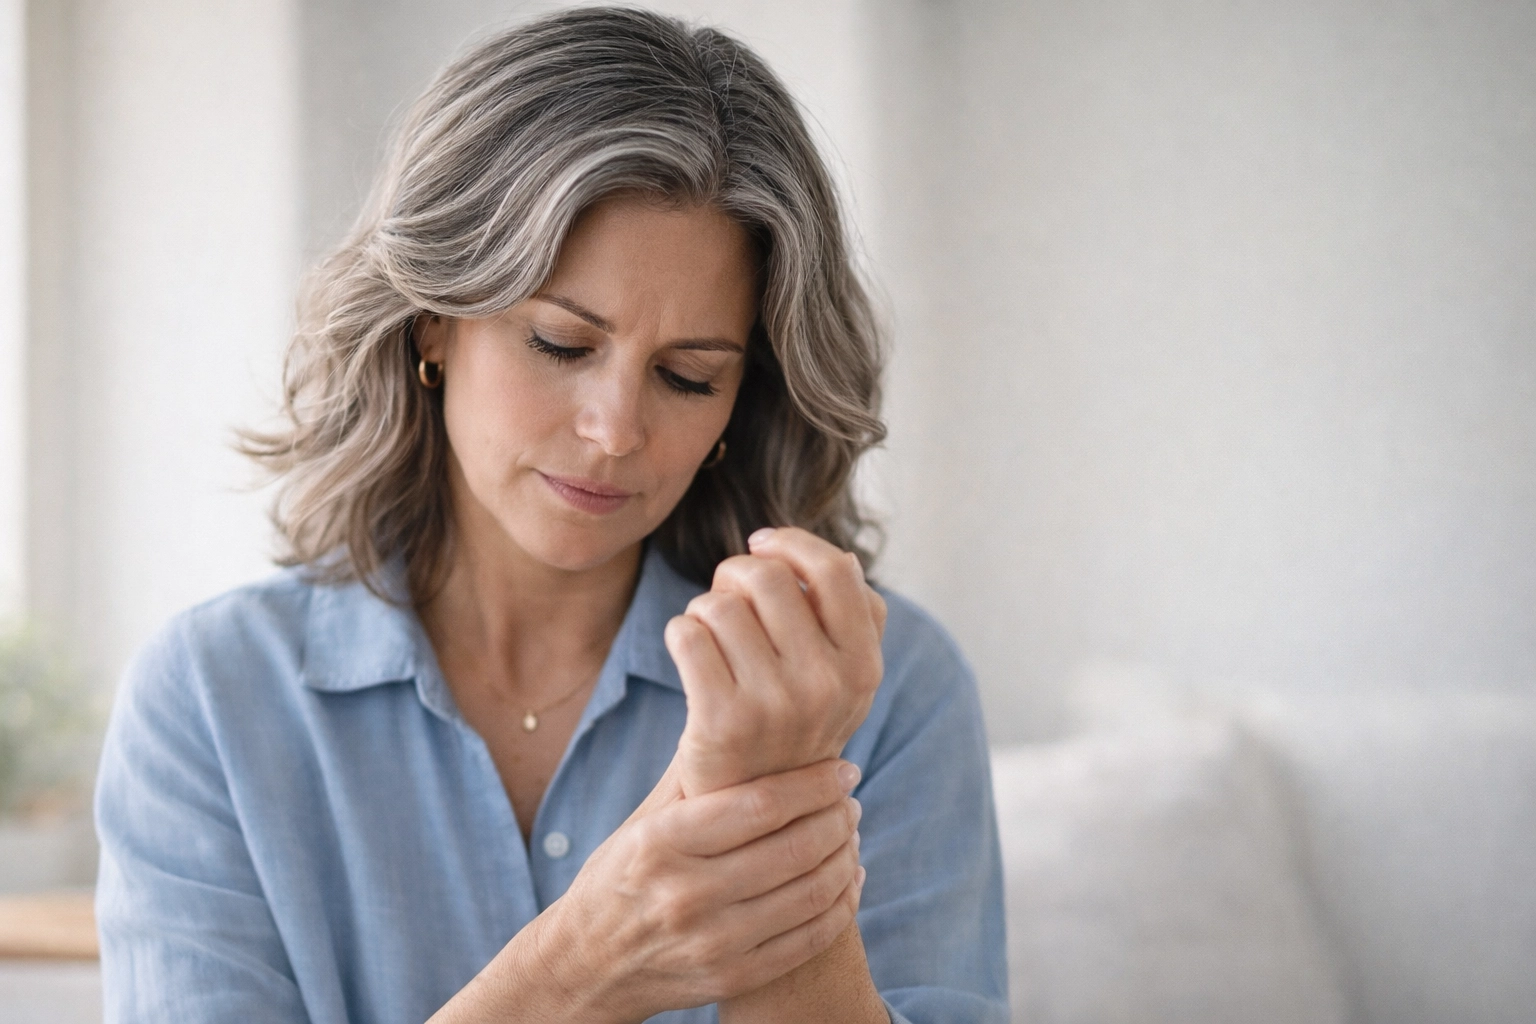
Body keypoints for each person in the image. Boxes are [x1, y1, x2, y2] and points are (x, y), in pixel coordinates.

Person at [93, 7, 1007, 1022]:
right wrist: (579, 968)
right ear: (433, 321)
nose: (615, 429)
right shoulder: (213, 703)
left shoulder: (889, 688)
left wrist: (780, 808)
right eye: (563, 346)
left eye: (687, 375)